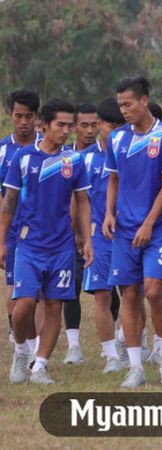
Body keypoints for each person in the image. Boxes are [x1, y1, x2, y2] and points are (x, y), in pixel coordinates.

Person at [3, 98, 93, 384]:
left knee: (55, 306)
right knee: (24, 305)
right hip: (28, 245)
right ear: (45, 125)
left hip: (62, 247)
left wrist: (87, 239)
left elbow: (82, 201)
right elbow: (9, 203)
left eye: (70, 125)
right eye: (61, 125)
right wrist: (2, 241)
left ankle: (40, 365)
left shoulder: (74, 160)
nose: (66, 131)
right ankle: (20, 351)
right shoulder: (24, 158)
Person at [102, 76, 162, 388]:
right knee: (130, 294)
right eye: (120, 104)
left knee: (154, 291)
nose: (124, 110)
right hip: (123, 230)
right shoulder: (118, 139)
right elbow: (113, 179)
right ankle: (135, 366)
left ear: (144, 100)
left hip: (158, 229)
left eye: (128, 104)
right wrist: (109, 213)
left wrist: (149, 222)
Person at [82, 98, 126, 373]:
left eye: (123, 125)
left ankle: (139, 343)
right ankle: (111, 355)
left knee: (134, 293)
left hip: (130, 235)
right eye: (113, 126)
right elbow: (78, 200)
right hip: (99, 236)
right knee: (102, 295)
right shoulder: (85, 159)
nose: (118, 132)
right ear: (100, 126)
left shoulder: (132, 153)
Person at [60, 102, 100, 365]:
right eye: (83, 125)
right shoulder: (62, 157)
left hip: (102, 235)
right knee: (69, 289)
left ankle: (118, 339)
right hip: (68, 235)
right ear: (74, 127)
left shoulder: (108, 155)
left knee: (107, 291)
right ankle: (73, 346)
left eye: (94, 125)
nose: (89, 130)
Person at [1, 89, 41, 347]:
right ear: (9, 115)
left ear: (37, 116)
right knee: (14, 285)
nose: (24, 121)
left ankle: (37, 344)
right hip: (14, 230)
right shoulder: (3, 151)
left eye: (28, 116)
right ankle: (16, 331)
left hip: (44, 230)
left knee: (43, 293)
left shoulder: (49, 147)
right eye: (19, 116)